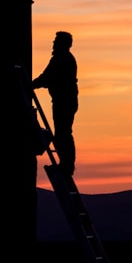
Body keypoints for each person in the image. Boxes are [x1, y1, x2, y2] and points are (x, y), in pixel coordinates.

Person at [33, 31, 78, 174]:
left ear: (63, 44)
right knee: (62, 133)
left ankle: (67, 165)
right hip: (64, 100)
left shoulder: (61, 59)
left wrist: (31, 85)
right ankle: (66, 164)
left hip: (64, 101)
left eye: (56, 41)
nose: (53, 43)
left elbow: (47, 77)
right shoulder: (63, 58)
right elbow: (47, 78)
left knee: (62, 133)